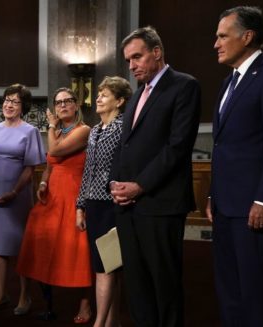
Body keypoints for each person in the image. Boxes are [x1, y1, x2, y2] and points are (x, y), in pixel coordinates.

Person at [110, 27, 201, 326]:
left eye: (137, 56)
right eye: (128, 60)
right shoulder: (137, 96)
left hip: (161, 204)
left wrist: (139, 186)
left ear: (157, 52)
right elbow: (127, 147)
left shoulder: (184, 86)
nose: (132, 65)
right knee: (137, 288)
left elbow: (177, 147)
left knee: (165, 286)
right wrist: (118, 186)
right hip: (129, 208)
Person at [206, 6, 263, 327]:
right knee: (229, 290)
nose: (215, 43)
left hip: (253, 208)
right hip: (224, 207)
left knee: (256, 292)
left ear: (247, 37)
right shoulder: (227, 82)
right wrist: (211, 195)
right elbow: (222, 146)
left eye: (222, 36)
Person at [17, 87, 92, 323]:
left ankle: (85, 305)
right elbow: (51, 164)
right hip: (52, 195)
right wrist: (42, 183)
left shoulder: (84, 130)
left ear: (76, 104)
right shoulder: (59, 131)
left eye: (68, 101)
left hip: (73, 194)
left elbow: (55, 151)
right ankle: (46, 301)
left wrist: (50, 126)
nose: (62, 106)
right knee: (43, 243)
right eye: (58, 102)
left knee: (78, 250)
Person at [0, 84, 46, 316]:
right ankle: (1, 295)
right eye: (7, 100)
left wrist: (14, 193)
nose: (9, 105)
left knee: (20, 247)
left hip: (17, 198)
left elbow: (30, 169)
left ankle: (24, 295)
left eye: (15, 101)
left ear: (23, 107)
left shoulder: (30, 131)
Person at [76, 76, 131, 327]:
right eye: (98, 94)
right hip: (94, 204)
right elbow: (87, 171)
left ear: (119, 101)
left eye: (105, 94)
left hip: (114, 205)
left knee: (107, 266)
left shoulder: (124, 128)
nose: (98, 98)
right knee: (107, 266)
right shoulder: (95, 130)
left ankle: (100, 323)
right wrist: (80, 205)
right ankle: (111, 322)